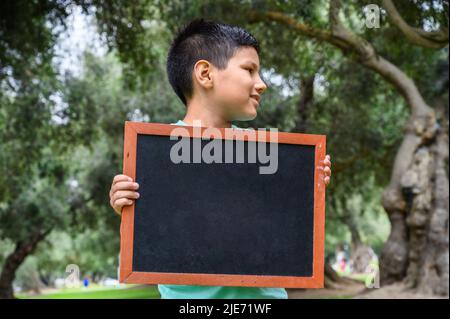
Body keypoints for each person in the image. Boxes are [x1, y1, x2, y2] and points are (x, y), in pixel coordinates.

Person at [109, 19, 332, 299]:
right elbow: (152, 248)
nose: (261, 84)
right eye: (249, 70)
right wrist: (128, 209)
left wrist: (308, 187)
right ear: (205, 74)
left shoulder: (266, 157)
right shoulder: (154, 159)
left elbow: (285, 231)